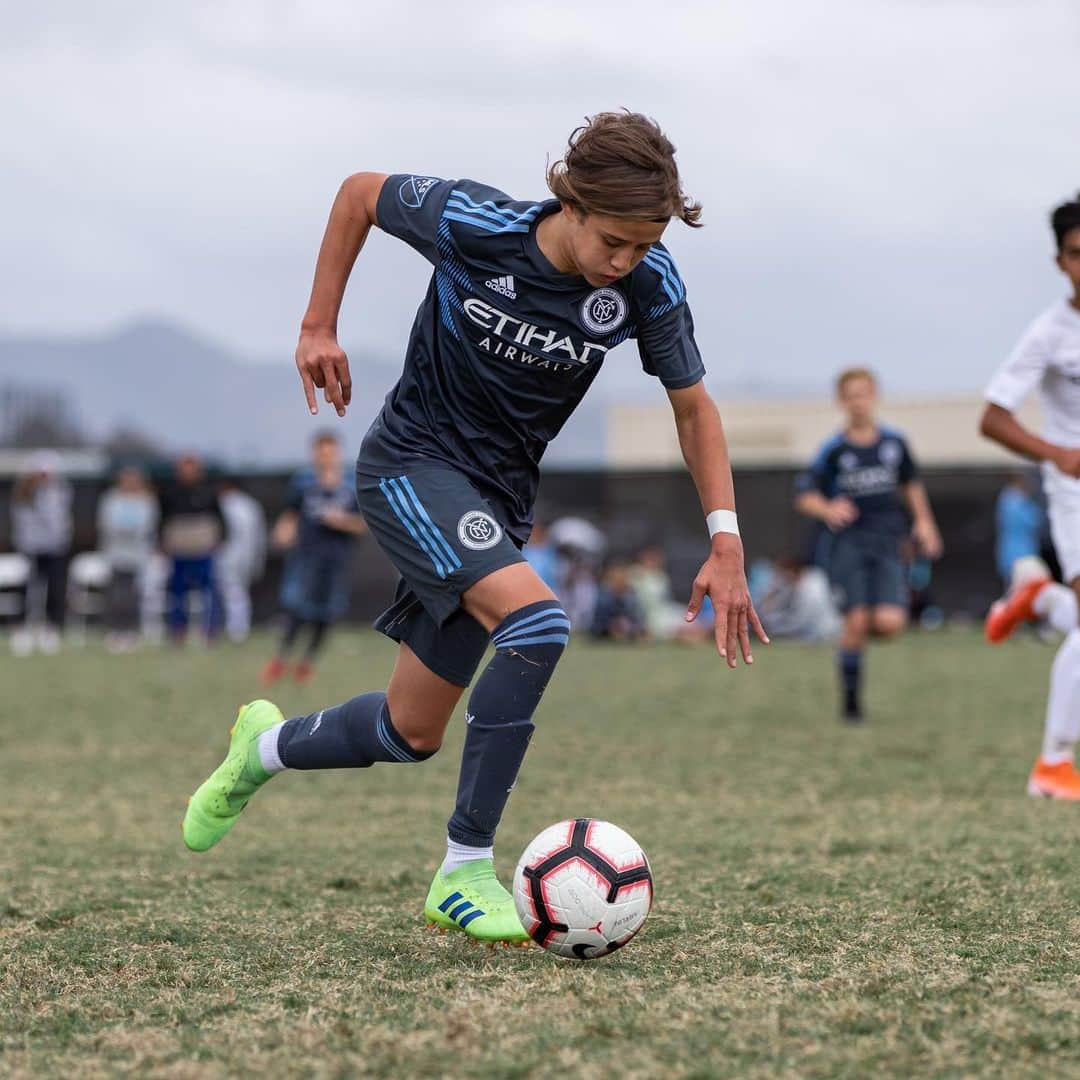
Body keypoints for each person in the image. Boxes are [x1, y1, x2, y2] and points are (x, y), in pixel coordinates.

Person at [182, 111, 768, 945]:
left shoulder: (649, 283)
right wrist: (318, 325)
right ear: (570, 202)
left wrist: (726, 539)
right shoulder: (476, 223)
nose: (624, 263)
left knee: (408, 730)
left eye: (643, 246)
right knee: (538, 622)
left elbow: (693, 408)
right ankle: (462, 870)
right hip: (409, 465)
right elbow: (357, 195)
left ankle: (261, 749)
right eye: (613, 241)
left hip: (495, 502)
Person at [979, 192, 1080, 799]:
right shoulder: (1049, 334)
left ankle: (1040, 600)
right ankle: (1052, 764)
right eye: (1076, 254)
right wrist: (1059, 455)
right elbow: (993, 418)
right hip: (1074, 490)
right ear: (1059, 261)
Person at [795, 368, 943, 722]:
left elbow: (911, 484)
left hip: (889, 541)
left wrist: (925, 522)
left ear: (875, 396)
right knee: (858, 620)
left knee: (890, 623)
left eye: (864, 393)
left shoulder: (894, 443)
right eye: (851, 395)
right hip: (849, 543)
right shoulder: (834, 449)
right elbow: (803, 495)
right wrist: (827, 507)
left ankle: (847, 645)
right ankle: (851, 705)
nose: (858, 401)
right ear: (841, 401)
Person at [261, 431, 366, 685]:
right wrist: (283, 532)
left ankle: (306, 663)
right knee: (297, 607)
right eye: (321, 452)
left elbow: (362, 524)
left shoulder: (351, 484)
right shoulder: (303, 481)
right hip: (306, 556)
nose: (326, 457)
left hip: (336, 559)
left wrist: (342, 521)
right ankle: (280, 659)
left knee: (326, 613)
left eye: (330, 452)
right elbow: (291, 514)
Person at [10, 451, 72, 655]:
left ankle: (50, 628)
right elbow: (22, 523)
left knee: (54, 589)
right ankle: (23, 628)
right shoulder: (23, 493)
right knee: (28, 589)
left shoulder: (60, 492)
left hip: (54, 548)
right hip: (30, 547)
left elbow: (59, 521)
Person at [159, 454, 225, 643]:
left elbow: (219, 519)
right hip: (179, 550)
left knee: (209, 591)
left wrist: (219, 539)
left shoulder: (208, 491)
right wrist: (162, 543)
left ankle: (210, 630)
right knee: (177, 593)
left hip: (203, 549)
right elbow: (162, 520)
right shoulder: (170, 492)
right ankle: (178, 631)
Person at [97, 465, 159, 651]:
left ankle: (130, 631)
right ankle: (113, 630)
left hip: (137, 556)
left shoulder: (147, 500)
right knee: (115, 594)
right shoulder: (111, 499)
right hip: (115, 554)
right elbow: (107, 524)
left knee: (133, 595)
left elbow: (147, 525)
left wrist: (132, 530)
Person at [217, 480, 267, 644]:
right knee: (239, 592)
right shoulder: (251, 506)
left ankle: (235, 628)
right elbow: (259, 537)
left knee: (232, 593)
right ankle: (238, 628)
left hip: (228, 556)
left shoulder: (225, 504)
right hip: (247, 555)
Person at [994, 472, 1045, 588]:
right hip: (1021, 553)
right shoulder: (1016, 500)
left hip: (1013, 552)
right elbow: (1034, 520)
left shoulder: (1006, 498)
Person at [590, 559, 647, 641]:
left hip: (629, 629)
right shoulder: (604, 595)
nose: (619, 580)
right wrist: (612, 626)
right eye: (615, 577)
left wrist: (631, 627)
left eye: (622, 576)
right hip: (607, 631)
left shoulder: (632, 594)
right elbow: (598, 622)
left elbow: (639, 617)